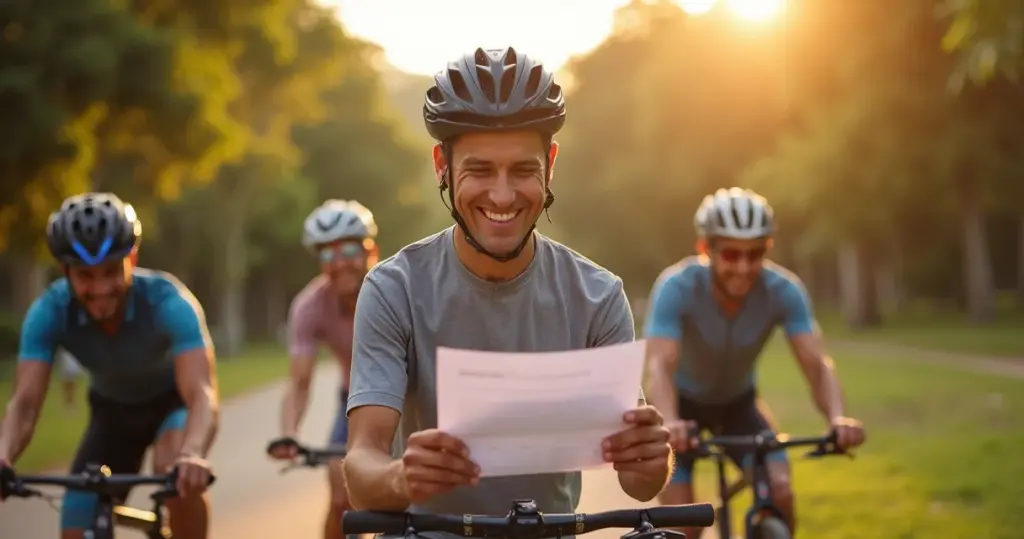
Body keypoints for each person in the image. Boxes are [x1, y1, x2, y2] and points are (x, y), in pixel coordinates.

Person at [342, 46, 672, 522]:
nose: (501, 195)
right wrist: (400, 478)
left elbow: (639, 484)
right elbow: (362, 466)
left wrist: (652, 458)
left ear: (550, 162)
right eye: (478, 170)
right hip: (427, 533)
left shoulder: (598, 295)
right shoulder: (394, 289)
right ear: (442, 164)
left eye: (523, 171)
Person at [643, 187, 867, 538]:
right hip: (679, 409)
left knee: (780, 492)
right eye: (731, 253)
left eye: (755, 253)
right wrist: (669, 422)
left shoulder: (784, 290)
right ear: (706, 249)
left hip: (739, 406)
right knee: (683, 524)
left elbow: (816, 363)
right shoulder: (676, 287)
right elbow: (660, 365)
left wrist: (837, 418)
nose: (744, 267)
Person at [0, 193, 218, 539]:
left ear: (132, 258)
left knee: (174, 475)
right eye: (86, 276)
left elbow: (201, 393)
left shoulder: (169, 301)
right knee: (74, 526)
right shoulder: (49, 312)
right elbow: (25, 402)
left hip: (172, 405)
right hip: (112, 414)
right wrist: (4, 455)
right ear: (65, 271)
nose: (101, 289)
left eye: (111, 271)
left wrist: (192, 453)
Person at [267, 199, 379, 539]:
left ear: (370, 249)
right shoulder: (310, 306)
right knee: (341, 500)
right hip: (354, 402)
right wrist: (290, 432)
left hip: (410, 398)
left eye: (348, 249)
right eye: (328, 254)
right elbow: (299, 383)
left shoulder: (395, 289)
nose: (340, 262)